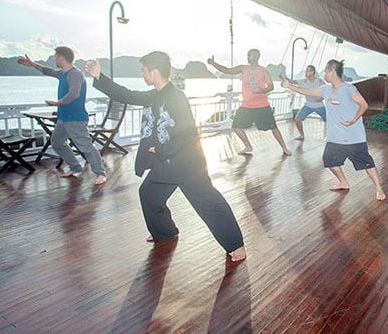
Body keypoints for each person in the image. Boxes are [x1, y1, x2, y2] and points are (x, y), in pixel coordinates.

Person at [85, 51, 246, 261]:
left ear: (154, 71)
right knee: (149, 194)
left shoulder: (176, 97)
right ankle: (165, 231)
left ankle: (236, 246)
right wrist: (100, 77)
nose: (142, 74)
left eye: (144, 70)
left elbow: (187, 132)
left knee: (209, 202)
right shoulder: (156, 95)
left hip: (187, 164)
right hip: (167, 163)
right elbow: (128, 95)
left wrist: (160, 149)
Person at [281, 59, 385, 200]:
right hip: (335, 137)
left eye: (325, 71)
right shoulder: (326, 89)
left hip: (353, 136)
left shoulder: (349, 89)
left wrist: (354, 120)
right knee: (329, 161)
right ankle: (343, 182)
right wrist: (290, 86)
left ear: (332, 72)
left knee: (367, 163)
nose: (323, 73)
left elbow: (363, 105)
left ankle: (379, 189)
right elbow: (309, 91)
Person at [17, 47, 107, 185]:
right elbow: (48, 71)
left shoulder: (75, 74)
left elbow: (74, 94)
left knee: (86, 147)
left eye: (55, 56)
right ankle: (76, 168)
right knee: (57, 143)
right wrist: (33, 64)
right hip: (63, 118)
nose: (54, 58)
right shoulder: (63, 74)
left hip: (75, 119)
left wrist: (58, 102)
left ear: (62, 58)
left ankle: (100, 174)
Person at [207, 49, 291, 156]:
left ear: (257, 57)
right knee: (236, 126)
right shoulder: (243, 68)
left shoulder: (263, 71)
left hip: (262, 106)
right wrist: (213, 64)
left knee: (273, 128)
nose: (248, 57)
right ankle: (248, 146)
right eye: (247, 55)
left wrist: (261, 90)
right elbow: (227, 70)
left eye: (250, 55)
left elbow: (271, 86)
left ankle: (284, 148)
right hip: (246, 106)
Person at [280, 65, 326, 140]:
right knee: (297, 119)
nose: (305, 72)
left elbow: (324, 94)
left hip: (319, 106)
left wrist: (319, 98)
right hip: (308, 105)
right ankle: (302, 135)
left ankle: (331, 136)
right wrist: (283, 77)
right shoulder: (303, 81)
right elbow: (291, 82)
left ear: (312, 72)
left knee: (329, 120)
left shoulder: (320, 82)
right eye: (306, 71)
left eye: (308, 71)